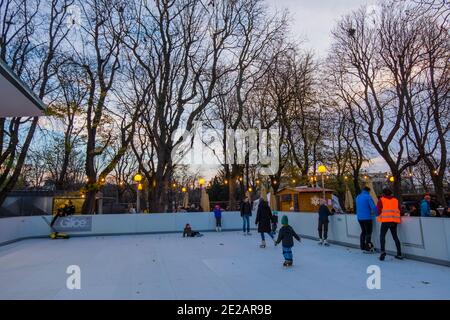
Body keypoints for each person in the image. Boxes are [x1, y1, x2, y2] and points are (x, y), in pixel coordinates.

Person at [376, 188, 403, 261]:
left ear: (383, 194)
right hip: (394, 221)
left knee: (382, 236)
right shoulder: (395, 200)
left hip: (385, 221)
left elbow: (378, 210)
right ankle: (399, 253)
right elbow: (400, 209)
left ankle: (382, 252)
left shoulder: (381, 200)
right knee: (395, 236)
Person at [355, 187, 377, 253]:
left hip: (359, 218)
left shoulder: (358, 197)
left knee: (363, 231)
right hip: (367, 217)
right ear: (368, 190)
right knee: (368, 232)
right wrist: (377, 214)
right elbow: (373, 207)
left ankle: (362, 246)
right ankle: (368, 247)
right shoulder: (368, 196)